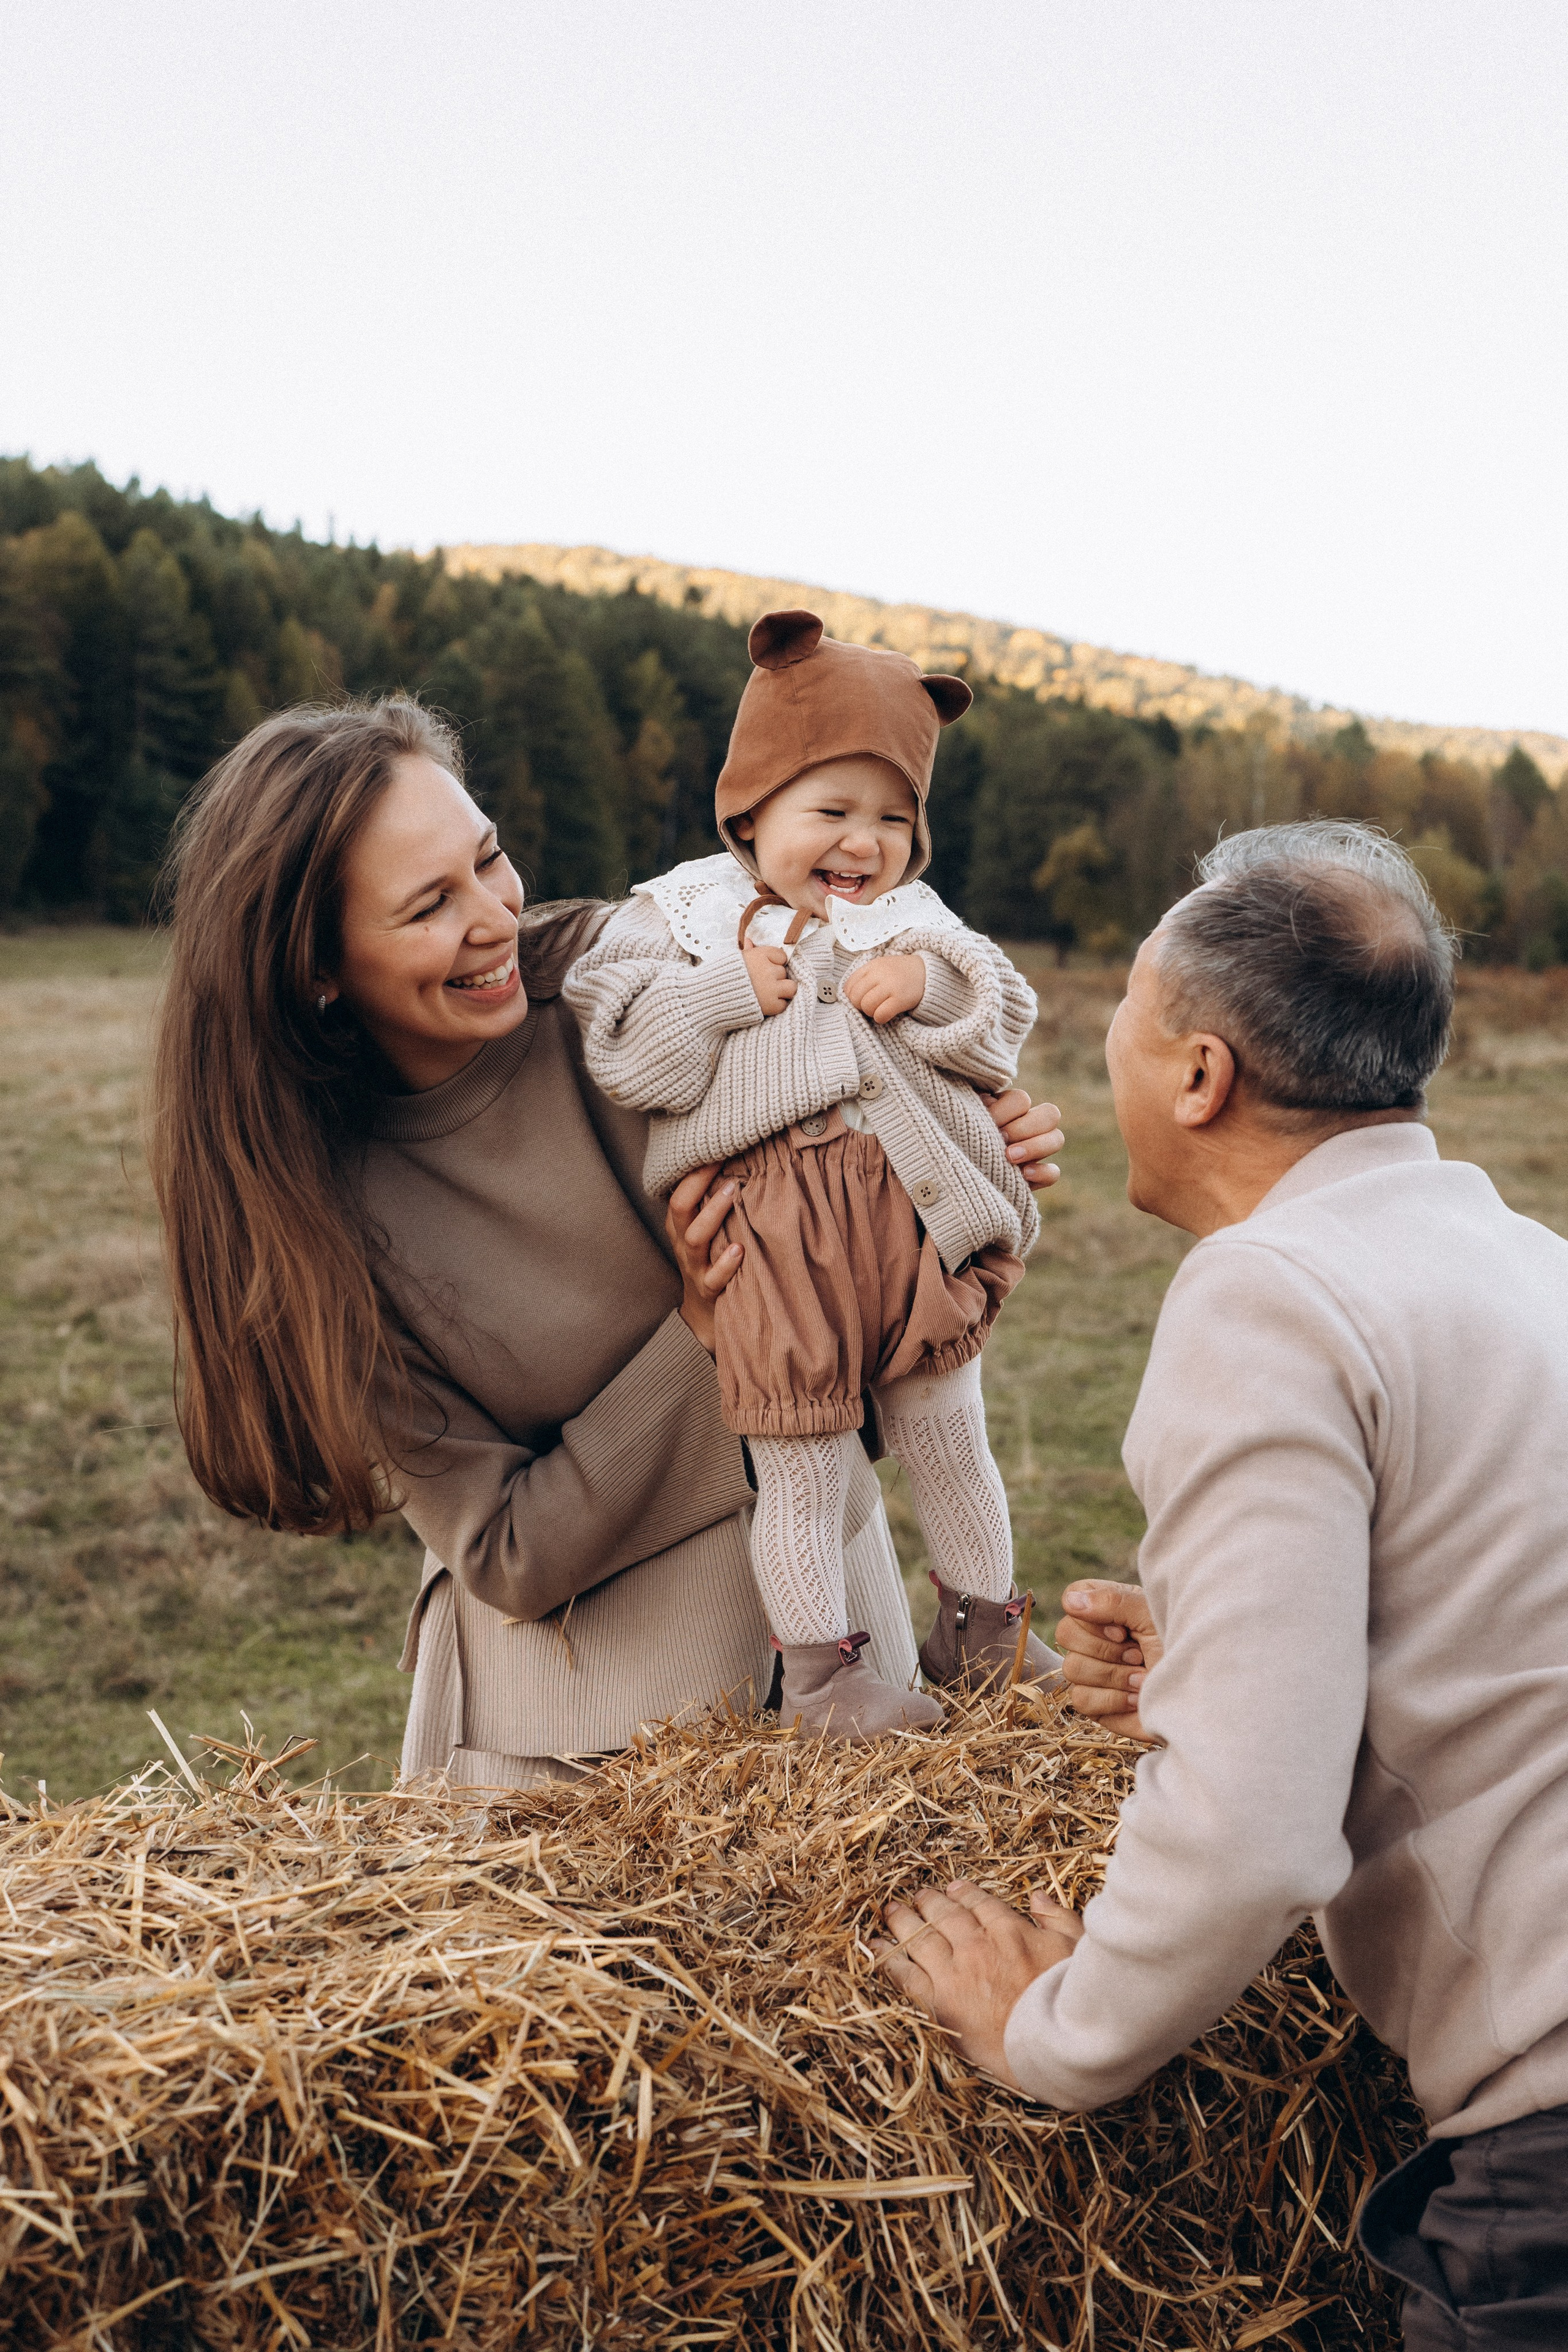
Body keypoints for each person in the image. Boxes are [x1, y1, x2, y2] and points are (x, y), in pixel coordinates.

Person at [869, 821, 1568, 2348]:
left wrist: (1051, 2032)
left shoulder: (1267, 1291)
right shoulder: (1530, 1267)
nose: (1101, 1051)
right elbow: (1502, 1620)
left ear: (1196, 1076)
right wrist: (1221, 1655)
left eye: (1119, 1013)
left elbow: (1253, 1830)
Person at [148, 696, 1065, 1790]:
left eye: (489, 860)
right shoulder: (315, 1222)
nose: (494, 916)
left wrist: (971, 1139)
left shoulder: (642, 980)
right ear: (317, 966)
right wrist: (703, 1329)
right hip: (575, 1761)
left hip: (857, 1705)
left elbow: (873, 1074)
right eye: (430, 905)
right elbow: (505, 1553)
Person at [565, 609, 1059, 1740]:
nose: (863, 842)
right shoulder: (678, 914)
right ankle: (823, 1680)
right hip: (773, 1242)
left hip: (912, 1226)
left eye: (893, 817)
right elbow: (629, 1052)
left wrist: (928, 989)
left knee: (949, 1429)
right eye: (831, 810)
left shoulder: (916, 922)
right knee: (803, 1461)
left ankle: (987, 1636)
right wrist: (730, 990)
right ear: (751, 806)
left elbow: (1003, 1025)